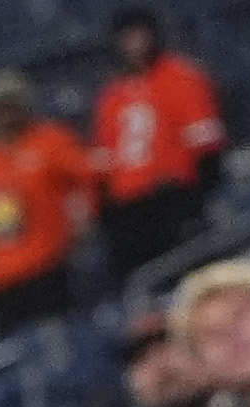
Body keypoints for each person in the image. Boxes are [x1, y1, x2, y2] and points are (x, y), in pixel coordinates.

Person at [0, 71, 98, 330]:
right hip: (3, 279)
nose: (4, 115)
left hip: (49, 265)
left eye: (9, 106)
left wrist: (80, 218)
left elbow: (86, 177)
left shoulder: (49, 140)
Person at [89, 12, 227, 262]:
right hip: (130, 207)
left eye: (139, 35)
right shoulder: (112, 95)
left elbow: (206, 140)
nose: (134, 44)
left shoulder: (181, 75)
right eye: (127, 38)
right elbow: (105, 157)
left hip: (174, 195)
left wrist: (196, 192)